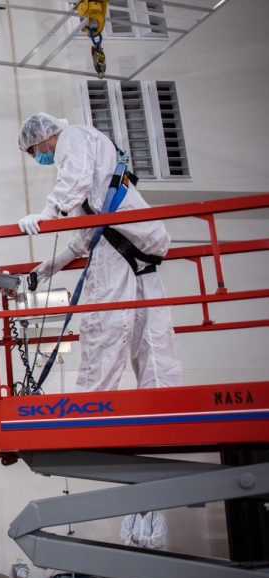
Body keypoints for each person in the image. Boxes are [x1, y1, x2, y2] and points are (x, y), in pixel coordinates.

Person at [17, 112, 183, 392]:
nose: (39, 158)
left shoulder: (73, 138)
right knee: (152, 334)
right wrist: (48, 267)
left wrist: (48, 212)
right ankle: (163, 399)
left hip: (116, 247)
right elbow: (83, 239)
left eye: (35, 151)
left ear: (44, 137)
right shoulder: (93, 159)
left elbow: (75, 178)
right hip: (140, 242)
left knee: (102, 325)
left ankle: (91, 407)